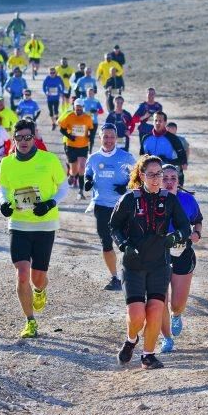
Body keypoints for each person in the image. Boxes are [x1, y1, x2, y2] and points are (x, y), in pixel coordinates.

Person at [110, 155, 191, 370]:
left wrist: (175, 237)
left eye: (160, 174)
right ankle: (131, 339)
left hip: (159, 265)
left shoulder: (170, 199)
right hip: (134, 265)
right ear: (142, 176)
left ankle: (148, 355)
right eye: (152, 174)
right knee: (137, 315)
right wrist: (123, 245)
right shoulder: (129, 199)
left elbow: (185, 227)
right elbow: (114, 226)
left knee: (155, 309)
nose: (157, 179)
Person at [0, 119, 68, 338]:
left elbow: (63, 187)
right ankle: (30, 321)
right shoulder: (7, 163)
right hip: (18, 224)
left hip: (44, 224)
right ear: (14, 139)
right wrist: (4, 204)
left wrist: (50, 203)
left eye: (27, 137)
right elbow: (4, 187)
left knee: (38, 277)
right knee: (21, 274)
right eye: (19, 137)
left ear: (34, 137)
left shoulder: (48, 160)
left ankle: (39, 289)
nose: (23, 141)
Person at [84, 124, 135, 290]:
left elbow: (139, 176)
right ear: (100, 138)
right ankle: (115, 277)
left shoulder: (126, 156)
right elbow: (88, 172)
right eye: (105, 136)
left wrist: (126, 186)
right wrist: (87, 181)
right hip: (101, 205)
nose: (108, 140)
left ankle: (132, 274)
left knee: (128, 241)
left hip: (123, 206)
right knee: (106, 243)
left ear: (116, 137)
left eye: (111, 136)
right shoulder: (93, 158)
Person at [159, 164, 202, 353]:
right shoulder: (152, 200)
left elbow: (198, 220)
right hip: (158, 254)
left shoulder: (187, 200)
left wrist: (197, 234)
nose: (169, 182)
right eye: (165, 178)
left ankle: (176, 315)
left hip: (183, 253)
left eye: (173, 179)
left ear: (179, 181)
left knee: (177, 303)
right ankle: (166, 338)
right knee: (160, 300)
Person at [60, 99, 95, 199]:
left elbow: (92, 129)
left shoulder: (87, 118)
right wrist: (70, 136)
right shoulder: (69, 116)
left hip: (83, 146)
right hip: (71, 146)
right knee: (74, 170)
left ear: (83, 108)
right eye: (77, 108)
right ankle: (71, 176)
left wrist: (90, 137)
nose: (78, 109)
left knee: (82, 167)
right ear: (74, 107)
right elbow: (62, 129)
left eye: (80, 108)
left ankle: (80, 191)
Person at [141, 112, 187, 184]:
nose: (157, 123)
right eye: (155, 120)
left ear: (165, 122)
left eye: (160, 121)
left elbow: (183, 159)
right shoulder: (146, 138)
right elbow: (141, 157)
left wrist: (167, 161)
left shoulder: (172, 138)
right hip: (150, 178)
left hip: (166, 178)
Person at [132, 88, 163, 154]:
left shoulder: (158, 106)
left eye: (152, 94)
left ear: (155, 95)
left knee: (155, 151)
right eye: (149, 93)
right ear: (146, 94)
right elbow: (134, 119)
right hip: (144, 131)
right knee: (144, 151)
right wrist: (144, 117)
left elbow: (162, 120)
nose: (151, 95)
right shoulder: (143, 106)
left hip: (155, 131)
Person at [82, 88, 104, 154]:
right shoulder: (83, 101)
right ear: (86, 93)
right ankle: (84, 149)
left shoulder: (96, 101)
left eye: (91, 93)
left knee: (92, 138)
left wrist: (96, 111)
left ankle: (90, 151)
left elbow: (101, 111)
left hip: (94, 122)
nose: (90, 94)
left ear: (94, 93)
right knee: (84, 136)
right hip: (84, 122)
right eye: (89, 92)